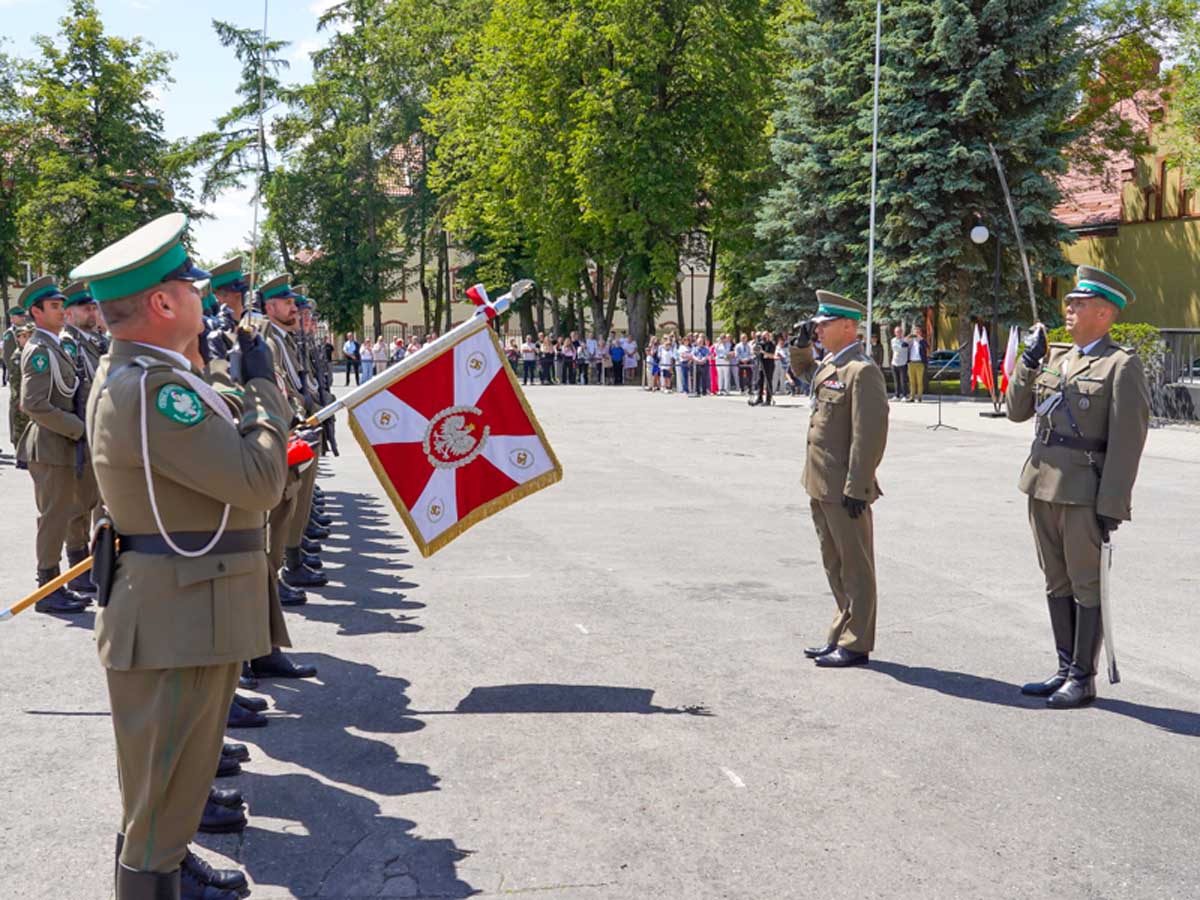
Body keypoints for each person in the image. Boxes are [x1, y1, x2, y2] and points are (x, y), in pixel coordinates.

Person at [72, 212, 291, 899]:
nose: (204, 297)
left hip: (185, 601)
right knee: (163, 775)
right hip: (181, 608)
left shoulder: (155, 375)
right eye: (192, 288)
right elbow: (259, 481)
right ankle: (153, 880)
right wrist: (263, 392)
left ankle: (163, 861)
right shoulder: (155, 390)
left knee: (166, 778)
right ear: (164, 304)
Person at [1006, 266, 1150, 709]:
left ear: (1104, 314)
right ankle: (1064, 666)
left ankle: (1083, 677)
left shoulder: (1120, 365)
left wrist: (1113, 503)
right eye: (1070, 302)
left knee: (1086, 584)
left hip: (1083, 490)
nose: (1068, 308)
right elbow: (1015, 411)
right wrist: (1027, 362)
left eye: (1080, 304)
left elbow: (1128, 442)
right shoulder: (1056, 357)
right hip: (1040, 483)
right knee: (1056, 580)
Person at [798, 292, 889, 668]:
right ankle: (840, 632)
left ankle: (857, 643)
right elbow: (804, 372)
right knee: (834, 563)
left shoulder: (862, 371)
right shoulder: (831, 364)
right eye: (817, 325)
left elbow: (869, 435)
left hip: (843, 486)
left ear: (849, 326)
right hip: (820, 482)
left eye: (824, 324)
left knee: (856, 566)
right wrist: (800, 346)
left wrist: (858, 485)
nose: (818, 329)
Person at [15, 276, 94, 614]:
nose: (62, 311)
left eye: (62, 305)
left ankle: (68, 579)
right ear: (36, 312)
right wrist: (79, 429)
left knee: (71, 511)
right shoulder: (39, 351)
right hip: (49, 446)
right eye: (54, 306)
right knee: (54, 517)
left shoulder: (55, 345)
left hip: (63, 444)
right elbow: (33, 404)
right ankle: (47, 589)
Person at [749, 330, 776, 407]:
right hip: (761, 364)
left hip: (769, 365)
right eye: (763, 336)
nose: (764, 337)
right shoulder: (760, 344)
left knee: (768, 382)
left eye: (765, 336)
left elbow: (772, 355)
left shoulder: (771, 344)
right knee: (759, 381)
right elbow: (755, 352)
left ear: (768, 336)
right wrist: (755, 349)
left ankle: (768, 400)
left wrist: (763, 352)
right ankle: (759, 398)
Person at [907, 325, 928, 402]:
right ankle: (912, 397)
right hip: (911, 363)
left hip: (919, 363)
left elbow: (926, 346)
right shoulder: (911, 341)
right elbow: (903, 345)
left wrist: (920, 339)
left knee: (919, 381)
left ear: (920, 333)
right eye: (915, 331)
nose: (916, 333)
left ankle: (919, 397)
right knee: (912, 381)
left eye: (918, 331)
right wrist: (907, 338)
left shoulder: (922, 341)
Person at [889, 326, 909, 401]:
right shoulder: (893, 340)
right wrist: (902, 345)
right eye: (897, 332)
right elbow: (896, 348)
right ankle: (897, 395)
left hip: (903, 363)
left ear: (902, 332)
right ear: (895, 333)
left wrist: (904, 344)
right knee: (896, 381)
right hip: (894, 362)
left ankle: (904, 395)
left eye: (900, 331)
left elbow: (906, 348)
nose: (898, 333)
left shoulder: (905, 339)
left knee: (903, 380)